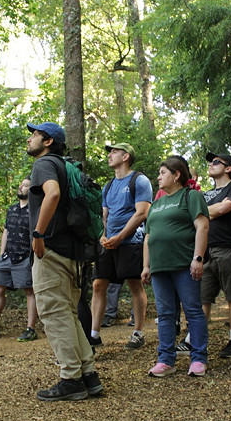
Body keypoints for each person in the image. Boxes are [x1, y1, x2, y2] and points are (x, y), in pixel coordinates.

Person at [26, 121, 103, 401]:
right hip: (72, 253)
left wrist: (39, 232)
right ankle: (88, 374)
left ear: (47, 142)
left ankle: (70, 379)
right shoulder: (67, 166)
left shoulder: (45, 164)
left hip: (53, 251)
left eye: (34, 135)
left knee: (53, 313)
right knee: (68, 313)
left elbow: (53, 194)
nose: (30, 139)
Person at [142, 156, 210, 377]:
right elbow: (148, 237)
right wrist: (146, 266)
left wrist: (197, 258)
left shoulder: (191, 196)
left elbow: (202, 226)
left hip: (184, 264)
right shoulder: (156, 204)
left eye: (163, 172)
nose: (158, 177)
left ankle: (198, 358)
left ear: (177, 174)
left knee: (192, 311)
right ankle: (166, 360)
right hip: (160, 267)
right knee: (165, 314)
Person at [90, 143, 153, 349]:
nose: (110, 155)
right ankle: (94, 334)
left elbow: (142, 213)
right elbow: (105, 215)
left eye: (114, 152)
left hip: (131, 241)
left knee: (135, 285)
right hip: (109, 243)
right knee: (98, 284)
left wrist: (120, 237)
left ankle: (138, 332)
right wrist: (103, 235)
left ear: (126, 156)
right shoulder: (108, 186)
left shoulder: (139, 181)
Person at [0, 178, 39, 342]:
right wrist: (1, 253)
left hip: (24, 256)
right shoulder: (12, 209)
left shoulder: (35, 210)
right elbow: (6, 232)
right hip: (7, 256)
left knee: (29, 291)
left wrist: (33, 255)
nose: (21, 187)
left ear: (30, 190)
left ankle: (31, 329)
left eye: (25, 186)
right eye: (21, 185)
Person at [201, 152, 231, 359]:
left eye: (216, 162)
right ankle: (197, 340)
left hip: (229, 248)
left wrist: (203, 212)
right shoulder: (205, 194)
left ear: (228, 168)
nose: (211, 164)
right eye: (211, 162)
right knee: (203, 298)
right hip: (205, 251)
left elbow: (223, 209)